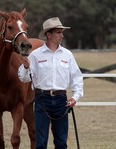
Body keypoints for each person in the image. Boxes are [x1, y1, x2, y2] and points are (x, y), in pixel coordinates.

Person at [18, 17, 83, 149]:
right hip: (42, 100)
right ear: (49, 34)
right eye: (58, 32)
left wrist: (75, 97)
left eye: (62, 32)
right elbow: (24, 78)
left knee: (61, 142)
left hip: (61, 101)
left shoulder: (67, 55)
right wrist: (25, 67)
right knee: (40, 143)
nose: (62, 35)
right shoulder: (35, 55)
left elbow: (77, 77)